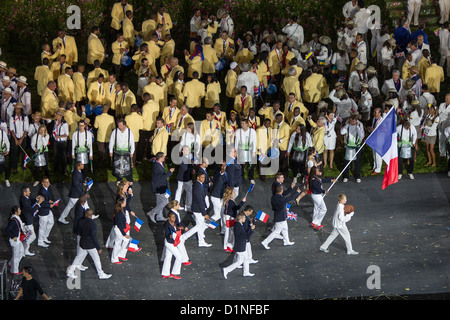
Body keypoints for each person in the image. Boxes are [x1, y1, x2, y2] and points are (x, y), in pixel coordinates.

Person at [67, 209, 111, 279]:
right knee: (96, 260)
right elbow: (94, 237)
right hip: (90, 245)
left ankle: (70, 271)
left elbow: (79, 232)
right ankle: (101, 274)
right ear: (91, 215)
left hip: (83, 243)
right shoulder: (93, 224)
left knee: (77, 257)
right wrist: (98, 247)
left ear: (86, 214)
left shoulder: (81, 221)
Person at [261, 184, 303, 249]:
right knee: (276, 232)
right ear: (281, 191)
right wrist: (297, 192)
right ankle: (265, 242)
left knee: (285, 229)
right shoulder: (280, 198)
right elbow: (289, 198)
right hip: (280, 217)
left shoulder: (274, 197)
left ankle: (286, 241)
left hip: (279, 216)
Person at [222, 212, 255, 279]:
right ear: (241, 218)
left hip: (241, 245)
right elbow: (245, 236)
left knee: (246, 259)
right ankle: (227, 270)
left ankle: (246, 272)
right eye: (244, 218)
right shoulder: (238, 226)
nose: (245, 219)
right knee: (239, 261)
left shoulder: (239, 225)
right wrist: (251, 230)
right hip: (240, 246)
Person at [147, 152, 175, 223]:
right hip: (158, 187)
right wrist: (169, 172)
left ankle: (159, 216)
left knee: (159, 202)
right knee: (165, 202)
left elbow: (161, 175)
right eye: (164, 157)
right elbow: (161, 178)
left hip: (161, 186)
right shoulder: (156, 166)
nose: (165, 158)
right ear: (161, 158)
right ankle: (152, 213)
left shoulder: (160, 164)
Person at [161, 211, 188, 280]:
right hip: (170, 243)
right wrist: (175, 242)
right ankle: (174, 273)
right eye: (172, 217)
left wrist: (179, 228)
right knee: (179, 257)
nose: (174, 218)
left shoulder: (173, 223)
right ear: (168, 218)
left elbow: (175, 231)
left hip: (171, 242)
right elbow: (168, 237)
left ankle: (165, 273)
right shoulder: (167, 225)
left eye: (174, 217)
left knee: (168, 257)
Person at [309, 166, 337, 230]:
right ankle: (315, 222)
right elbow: (318, 189)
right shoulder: (314, 181)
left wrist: (331, 180)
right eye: (317, 171)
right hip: (317, 196)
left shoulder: (316, 178)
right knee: (324, 209)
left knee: (317, 208)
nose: (319, 171)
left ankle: (317, 223)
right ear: (314, 172)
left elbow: (323, 180)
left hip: (317, 195)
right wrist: (324, 191)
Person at [341, 113, 365, 183]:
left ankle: (357, 176)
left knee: (357, 161)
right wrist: (347, 125)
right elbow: (342, 132)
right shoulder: (347, 124)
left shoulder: (360, 125)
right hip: (348, 145)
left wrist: (357, 127)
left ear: (356, 121)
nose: (352, 122)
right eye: (351, 121)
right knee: (347, 161)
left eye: (354, 121)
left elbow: (361, 135)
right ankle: (346, 176)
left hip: (356, 145)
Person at [20, 186, 44, 256]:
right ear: (24, 193)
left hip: (28, 220)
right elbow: (31, 211)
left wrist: (36, 199)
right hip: (27, 222)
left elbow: (31, 201)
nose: (30, 192)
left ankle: (25, 249)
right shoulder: (24, 201)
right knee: (32, 236)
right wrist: (38, 203)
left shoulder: (26, 198)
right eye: (28, 191)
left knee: (30, 236)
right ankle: (23, 249)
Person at [222, 187, 247, 252]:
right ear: (230, 193)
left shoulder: (228, 200)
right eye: (233, 192)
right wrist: (242, 202)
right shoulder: (230, 201)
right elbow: (237, 207)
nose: (234, 193)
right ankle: (227, 246)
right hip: (229, 217)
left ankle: (228, 245)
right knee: (229, 232)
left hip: (228, 217)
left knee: (229, 232)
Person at [235, 119, 257, 184]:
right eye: (241, 124)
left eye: (243, 124)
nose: (242, 125)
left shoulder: (252, 131)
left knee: (251, 165)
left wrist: (254, 151)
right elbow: (236, 142)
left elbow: (254, 142)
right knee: (241, 165)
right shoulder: (238, 131)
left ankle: (251, 178)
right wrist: (236, 151)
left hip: (250, 150)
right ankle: (241, 177)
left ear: (247, 124)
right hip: (241, 150)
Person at [37, 177, 56, 248]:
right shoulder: (42, 191)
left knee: (51, 222)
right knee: (42, 227)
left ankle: (45, 236)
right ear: (42, 183)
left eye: (48, 182)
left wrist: (48, 201)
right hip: (43, 212)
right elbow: (41, 203)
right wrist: (49, 205)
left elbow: (45, 200)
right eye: (46, 182)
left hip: (47, 210)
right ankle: (40, 241)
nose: (48, 183)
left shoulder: (46, 189)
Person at [7, 206, 26, 275]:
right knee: (16, 255)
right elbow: (8, 230)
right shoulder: (13, 220)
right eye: (19, 210)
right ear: (16, 212)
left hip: (18, 239)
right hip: (15, 240)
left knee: (21, 252)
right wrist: (12, 236)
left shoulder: (16, 218)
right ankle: (14, 270)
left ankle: (10, 263)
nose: (20, 210)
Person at [174, 145, 194, 212]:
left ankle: (184, 206)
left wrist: (192, 170)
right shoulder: (181, 158)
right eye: (185, 150)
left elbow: (189, 167)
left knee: (181, 191)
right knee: (181, 191)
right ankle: (183, 206)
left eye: (188, 150)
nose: (187, 151)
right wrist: (190, 169)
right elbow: (184, 168)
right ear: (182, 151)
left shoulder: (188, 158)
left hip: (186, 178)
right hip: (183, 178)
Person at [367, 108, 383, 176]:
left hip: (379, 139)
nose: (374, 113)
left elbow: (377, 130)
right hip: (374, 138)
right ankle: (374, 166)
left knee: (378, 154)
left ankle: (378, 169)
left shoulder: (381, 121)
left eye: (375, 112)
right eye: (374, 112)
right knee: (374, 153)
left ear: (380, 113)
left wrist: (371, 129)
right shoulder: (374, 119)